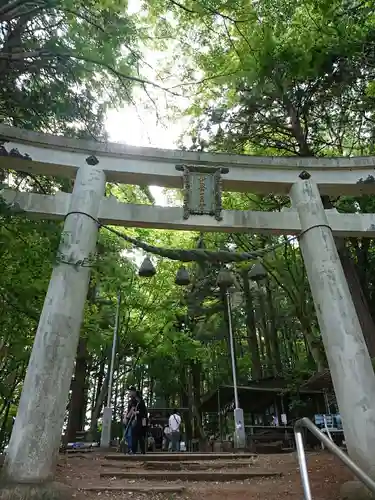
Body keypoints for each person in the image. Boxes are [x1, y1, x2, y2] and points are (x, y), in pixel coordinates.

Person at [128, 387, 148, 454]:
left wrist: (136, 412)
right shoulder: (134, 401)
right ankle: (137, 450)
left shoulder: (141, 402)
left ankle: (136, 450)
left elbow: (144, 413)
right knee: (138, 436)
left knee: (137, 435)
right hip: (137, 420)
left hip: (141, 420)